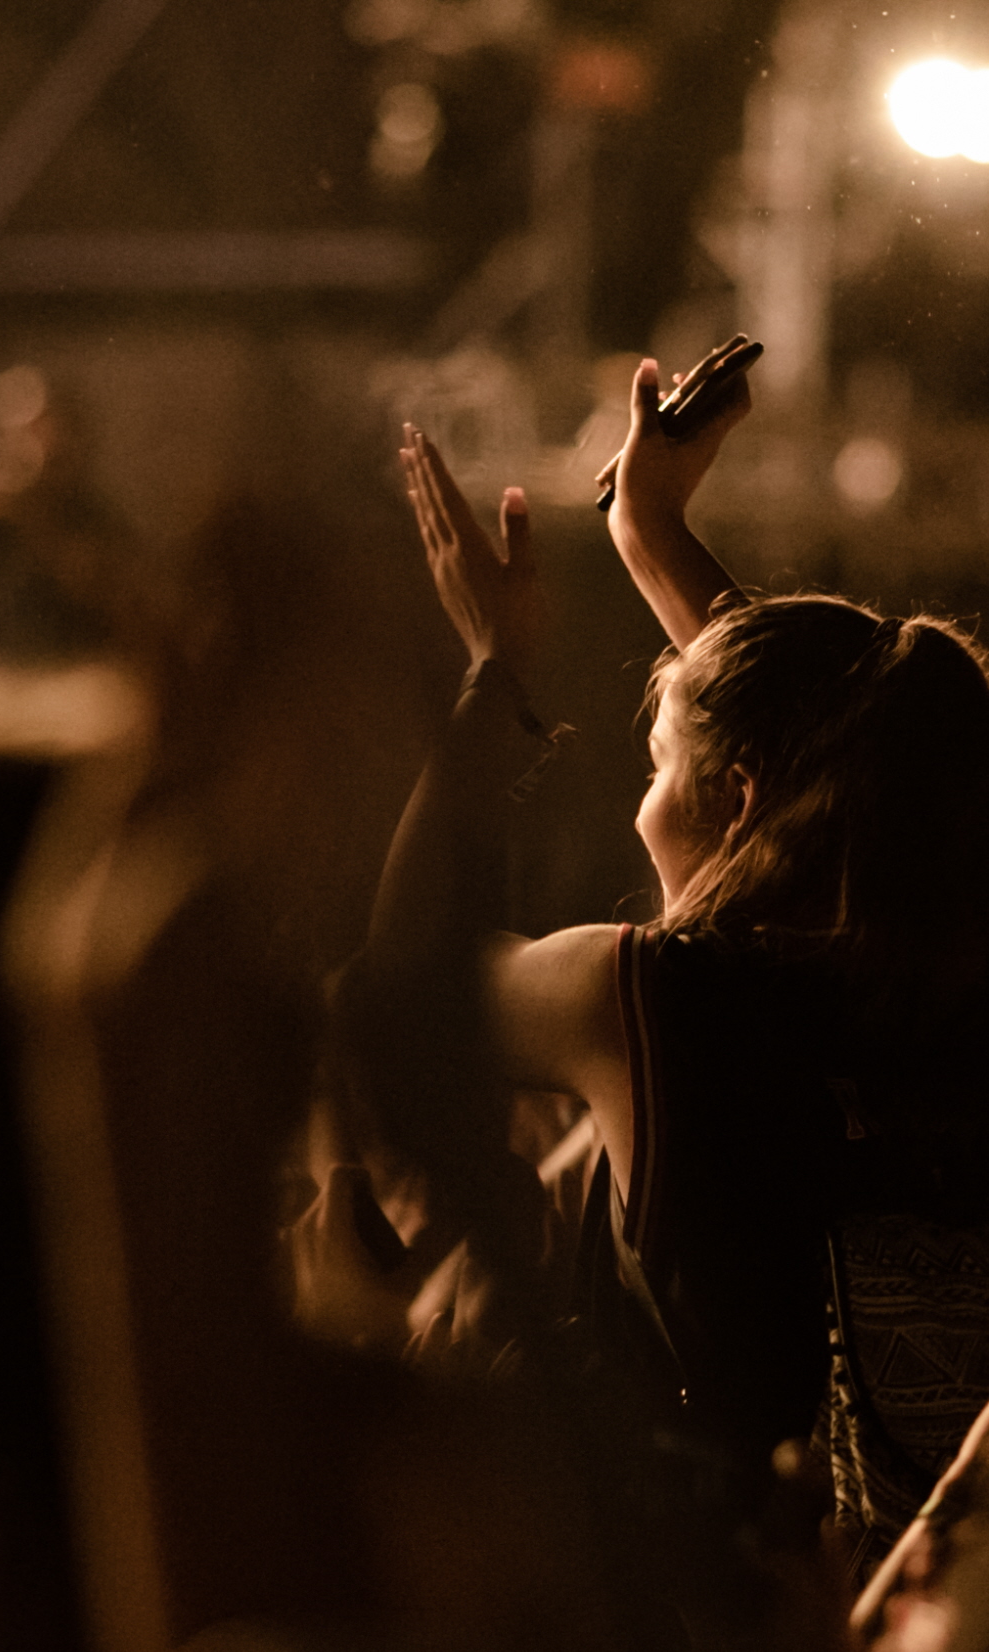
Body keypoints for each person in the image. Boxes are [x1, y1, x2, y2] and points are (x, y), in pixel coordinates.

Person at [383, 388, 989, 1571]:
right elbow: (867, 746)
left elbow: (408, 983)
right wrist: (650, 537)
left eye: (656, 770)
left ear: (741, 800)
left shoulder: (652, 1001)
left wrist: (493, 675)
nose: (639, 806)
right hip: (949, 1629)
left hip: (747, 1639)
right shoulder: (955, 971)